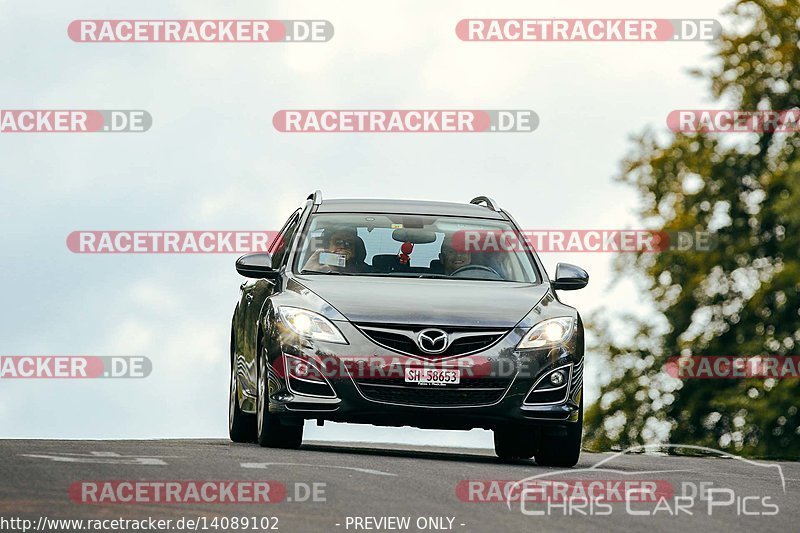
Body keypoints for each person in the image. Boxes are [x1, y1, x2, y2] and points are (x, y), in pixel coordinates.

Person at [302, 227, 368, 273]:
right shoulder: (316, 267)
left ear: (355, 250)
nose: (343, 246)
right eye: (337, 242)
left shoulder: (368, 272)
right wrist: (309, 271)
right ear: (326, 246)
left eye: (349, 243)